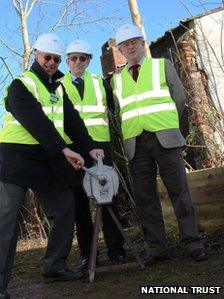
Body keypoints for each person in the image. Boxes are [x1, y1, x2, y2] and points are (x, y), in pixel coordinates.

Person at [0, 33, 103, 299]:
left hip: (47, 158)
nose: (52, 63)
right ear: (37, 55)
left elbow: (73, 121)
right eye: (48, 57)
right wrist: (64, 149)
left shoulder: (58, 88)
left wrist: (89, 145)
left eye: (57, 59)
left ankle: (55, 266)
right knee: (7, 219)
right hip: (16, 158)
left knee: (64, 206)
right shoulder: (21, 85)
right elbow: (36, 121)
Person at [111, 24, 208, 265]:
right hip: (135, 143)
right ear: (120, 50)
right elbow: (118, 111)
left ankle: (192, 242)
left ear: (142, 43)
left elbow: (180, 99)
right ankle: (157, 248)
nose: (131, 46)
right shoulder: (117, 80)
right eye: (125, 44)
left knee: (179, 191)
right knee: (145, 198)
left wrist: (175, 131)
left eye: (135, 41)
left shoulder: (161, 65)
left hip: (165, 138)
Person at [62, 39, 126, 270]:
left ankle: (117, 251)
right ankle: (88, 255)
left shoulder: (100, 83)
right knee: (79, 202)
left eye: (83, 58)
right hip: (72, 149)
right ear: (67, 61)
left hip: (100, 147)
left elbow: (113, 108)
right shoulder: (57, 85)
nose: (78, 62)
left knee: (108, 196)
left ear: (88, 61)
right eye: (73, 58)